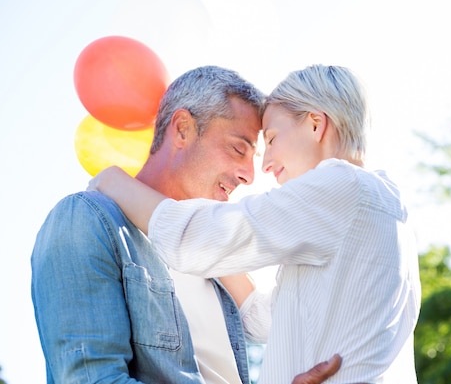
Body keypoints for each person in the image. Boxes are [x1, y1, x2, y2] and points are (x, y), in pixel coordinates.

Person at [91, 64, 421, 383]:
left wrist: (111, 179)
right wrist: (224, 250)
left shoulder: (341, 186)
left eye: (273, 138)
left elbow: (192, 241)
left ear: (316, 125)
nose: (265, 165)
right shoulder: (376, 209)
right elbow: (265, 322)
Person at [31, 65, 341, 384]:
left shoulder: (211, 262)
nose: (249, 175)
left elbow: (264, 320)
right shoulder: (86, 220)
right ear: (182, 129)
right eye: (238, 149)